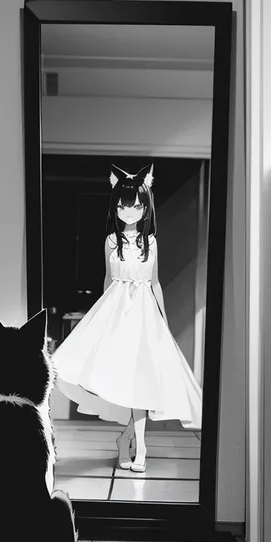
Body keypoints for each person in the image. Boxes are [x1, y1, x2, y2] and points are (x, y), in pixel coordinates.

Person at [52, 163, 202, 473]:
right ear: (116, 206)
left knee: (143, 382)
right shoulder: (111, 241)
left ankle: (136, 445)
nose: (130, 210)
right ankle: (131, 442)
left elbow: (155, 283)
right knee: (128, 382)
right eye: (124, 205)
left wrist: (164, 321)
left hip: (145, 315)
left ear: (145, 207)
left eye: (135, 205)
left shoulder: (152, 243)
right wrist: (100, 321)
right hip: (119, 313)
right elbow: (107, 282)